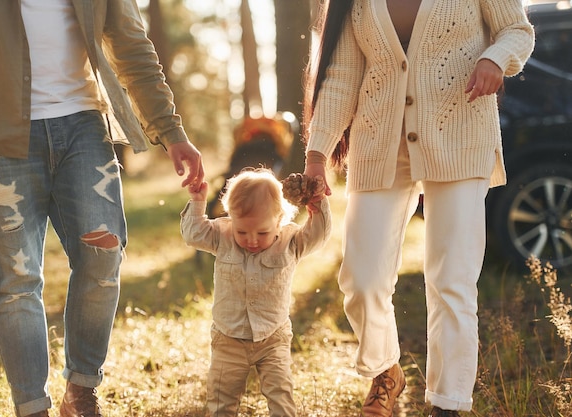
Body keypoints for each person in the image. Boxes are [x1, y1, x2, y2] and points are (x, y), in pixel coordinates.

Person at [0, 1, 204, 417]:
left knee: (103, 254)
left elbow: (131, 44)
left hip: (82, 124)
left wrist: (171, 130)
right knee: (16, 277)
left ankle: (81, 389)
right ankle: (32, 407)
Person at [302, 1, 534, 416]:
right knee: (362, 276)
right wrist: (317, 154)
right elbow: (341, 77)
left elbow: (517, 30)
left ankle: (448, 403)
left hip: (460, 135)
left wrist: (494, 58)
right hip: (378, 143)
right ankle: (385, 370)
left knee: (452, 280)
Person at [180, 168, 331, 417]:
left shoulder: (290, 242)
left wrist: (317, 203)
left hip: (273, 338)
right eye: (242, 231)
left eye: (262, 232)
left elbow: (318, 235)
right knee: (221, 401)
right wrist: (198, 202)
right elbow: (193, 234)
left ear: (279, 219)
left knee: (281, 396)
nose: (251, 240)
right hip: (228, 338)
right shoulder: (223, 236)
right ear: (231, 219)